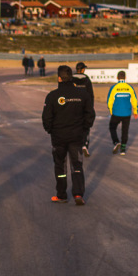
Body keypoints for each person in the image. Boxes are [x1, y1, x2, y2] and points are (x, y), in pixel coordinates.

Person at [42, 65, 94, 205]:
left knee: (60, 166)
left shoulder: (52, 96)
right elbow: (90, 114)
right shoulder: (83, 94)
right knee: (77, 165)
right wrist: (84, 129)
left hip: (59, 137)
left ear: (59, 78)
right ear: (71, 77)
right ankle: (78, 194)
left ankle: (61, 195)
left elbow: (46, 118)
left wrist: (50, 130)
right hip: (77, 136)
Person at [106, 71, 138, 155]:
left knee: (112, 127)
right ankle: (123, 149)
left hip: (116, 112)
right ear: (125, 78)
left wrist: (111, 111)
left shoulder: (114, 87)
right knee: (125, 130)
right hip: (127, 113)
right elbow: (134, 100)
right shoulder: (130, 87)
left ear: (117, 78)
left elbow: (109, 101)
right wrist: (135, 111)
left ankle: (116, 142)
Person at [72, 61, 95, 156]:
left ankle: (75, 145)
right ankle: (85, 144)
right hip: (85, 107)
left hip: (73, 106)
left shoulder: (71, 79)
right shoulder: (87, 80)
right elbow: (91, 95)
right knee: (86, 126)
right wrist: (90, 107)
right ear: (82, 70)